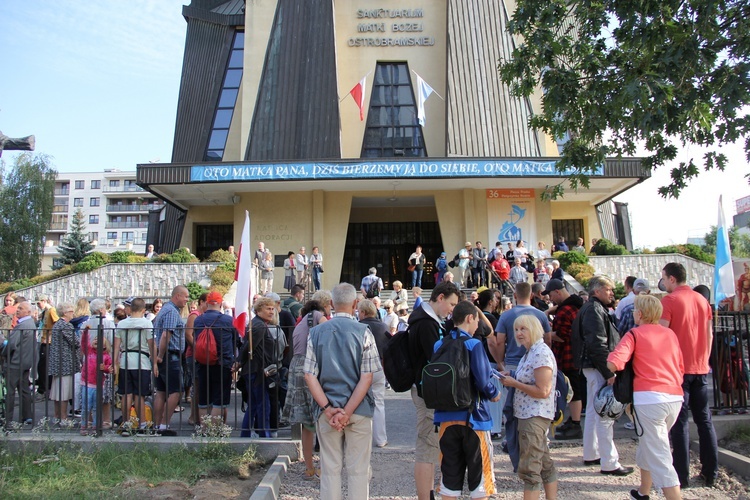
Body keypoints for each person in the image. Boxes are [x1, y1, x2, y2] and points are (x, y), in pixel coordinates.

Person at [303, 283, 381, 500]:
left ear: (331, 304)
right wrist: (346, 411)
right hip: (358, 409)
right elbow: (367, 377)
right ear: (356, 304)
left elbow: (309, 375)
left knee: (330, 469)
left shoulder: (316, 333)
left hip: (327, 409)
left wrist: (328, 409)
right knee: (358, 469)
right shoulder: (364, 332)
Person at [607, 294, 685, 500]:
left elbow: (615, 363)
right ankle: (644, 491)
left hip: (649, 399)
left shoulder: (634, 334)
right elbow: (680, 366)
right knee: (650, 443)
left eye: (634, 311)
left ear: (640, 314)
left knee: (659, 453)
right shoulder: (670, 335)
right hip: (674, 396)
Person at [434, 301, 501, 499]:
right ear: (470, 318)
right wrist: (493, 393)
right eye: (476, 321)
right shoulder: (474, 344)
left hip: (445, 417)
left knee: (449, 477)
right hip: (474, 417)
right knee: (479, 479)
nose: (477, 325)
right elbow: (481, 379)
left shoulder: (439, 344)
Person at [659, 262, 718, 488]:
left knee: (680, 423)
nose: (663, 282)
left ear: (672, 279)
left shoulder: (670, 300)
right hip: (700, 367)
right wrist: (704, 359)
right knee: (704, 420)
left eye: (664, 278)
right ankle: (709, 473)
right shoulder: (702, 300)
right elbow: (709, 334)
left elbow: (662, 336)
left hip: (677, 369)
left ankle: (681, 477)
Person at [573, 275, 633, 475]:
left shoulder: (592, 309)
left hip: (593, 366)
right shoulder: (593, 310)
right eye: (608, 289)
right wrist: (608, 371)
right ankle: (609, 462)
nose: (612, 293)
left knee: (593, 410)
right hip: (598, 366)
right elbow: (597, 343)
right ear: (597, 291)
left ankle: (592, 453)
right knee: (604, 413)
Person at [407, 281, 461, 500]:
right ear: (440, 298)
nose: (452, 309)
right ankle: (425, 495)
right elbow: (435, 361)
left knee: (429, 445)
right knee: (427, 446)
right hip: (427, 392)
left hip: (425, 390)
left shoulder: (426, 319)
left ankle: (427, 492)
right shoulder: (427, 323)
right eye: (451, 304)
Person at [500, 315, 558, 500]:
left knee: (530, 469)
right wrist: (513, 375)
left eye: (523, 329)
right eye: (516, 329)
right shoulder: (531, 352)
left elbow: (543, 390)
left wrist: (514, 383)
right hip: (529, 414)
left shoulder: (540, 352)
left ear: (533, 329)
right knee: (544, 463)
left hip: (534, 415)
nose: (518, 333)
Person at [494, 282, 551, 470]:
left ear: (515, 295)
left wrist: (500, 361)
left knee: (511, 407)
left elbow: (500, 341)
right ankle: (534, 444)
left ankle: (518, 445)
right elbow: (548, 339)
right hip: (532, 361)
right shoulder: (541, 315)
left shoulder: (507, 315)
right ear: (532, 295)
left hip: (513, 361)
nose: (520, 333)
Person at [282, 291, 331, 480]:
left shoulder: (302, 320)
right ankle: (326, 466)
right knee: (319, 416)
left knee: (306, 423)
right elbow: (329, 336)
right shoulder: (318, 316)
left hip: (297, 367)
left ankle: (309, 467)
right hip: (310, 367)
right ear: (324, 304)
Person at [542, 279, 585, 440]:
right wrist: (547, 312)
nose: (551, 298)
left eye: (551, 294)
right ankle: (574, 420)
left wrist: (546, 334)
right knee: (573, 389)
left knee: (573, 390)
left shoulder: (565, 310)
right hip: (574, 355)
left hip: (568, 355)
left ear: (558, 292)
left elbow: (561, 335)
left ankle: (575, 423)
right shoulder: (574, 305)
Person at [194, 291, 238, 429]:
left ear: (207, 303)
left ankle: (204, 429)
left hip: (203, 363)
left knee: (204, 399)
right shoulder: (228, 320)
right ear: (220, 304)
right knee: (219, 400)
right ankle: (214, 432)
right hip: (222, 363)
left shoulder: (198, 320)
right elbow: (236, 340)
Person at [114, 297, 156, 434]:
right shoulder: (147, 323)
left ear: (130, 309)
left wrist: (115, 363)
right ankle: (142, 424)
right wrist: (154, 362)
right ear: (143, 310)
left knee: (126, 394)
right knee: (140, 395)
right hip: (142, 361)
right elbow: (151, 344)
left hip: (125, 360)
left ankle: (126, 423)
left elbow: (116, 345)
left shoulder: (122, 324)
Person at [152, 285, 190, 436]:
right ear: (177, 296)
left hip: (165, 356)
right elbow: (166, 335)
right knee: (176, 391)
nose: (187, 300)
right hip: (170, 356)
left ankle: (157, 425)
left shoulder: (164, 310)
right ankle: (164, 425)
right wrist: (160, 355)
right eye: (185, 296)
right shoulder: (172, 312)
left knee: (161, 391)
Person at [240, 296, 277, 437]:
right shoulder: (259, 325)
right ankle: (264, 435)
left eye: (272, 309)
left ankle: (246, 434)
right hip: (257, 370)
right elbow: (248, 348)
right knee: (262, 405)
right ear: (259, 310)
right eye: (268, 308)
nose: (271, 311)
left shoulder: (257, 324)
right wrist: (239, 362)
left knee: (254, 405)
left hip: (254, 369)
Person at [358, 299, 390, 448]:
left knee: (359, 402)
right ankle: (380, 438)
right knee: (379, 403)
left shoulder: (358, 327)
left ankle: (362, 439)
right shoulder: (383, 326)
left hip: (362, 367)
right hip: (379, 366)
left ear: (363, 312)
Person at [4, 300, 36, 425]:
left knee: (10, 391)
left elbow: (11, 344)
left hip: (15, 362)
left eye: (21, 308)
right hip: (25, 362)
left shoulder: (22, 325)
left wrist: (3, 353)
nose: (18, 310)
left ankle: (8, 419)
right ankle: (26, 416)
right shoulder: (30, 323)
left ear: (28, 312)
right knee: (24, 389)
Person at [48, 302, 78, 424]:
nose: (73, 313)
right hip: (65, 362)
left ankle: (57, 416)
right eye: (71, 311)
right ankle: (64, 418)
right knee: (64, 391)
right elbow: (75, 342)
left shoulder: (57, 325)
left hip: (57, 362)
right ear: (65, 313)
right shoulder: (66, 325)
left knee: (57, 390)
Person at [79, 326, 113, 435]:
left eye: (99, 341)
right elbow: (84, 342)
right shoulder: (89, 351)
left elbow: (110, 369)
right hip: (87, 383)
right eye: (94, 339)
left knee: (96, 407)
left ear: (104, 345)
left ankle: (95, 426)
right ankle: (84, 425)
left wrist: (105, 368)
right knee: (85, 406)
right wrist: (86, 332)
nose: (96, 341)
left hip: (98, 384)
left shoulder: (106, 356)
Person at [36, 294, 59, 399]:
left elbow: (57, 323)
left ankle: (45, 389)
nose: (38, 305)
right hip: (43, 340)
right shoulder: (45, 311)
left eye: (39, 303)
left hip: (49, 342)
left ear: (44, 301)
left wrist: (50, 335)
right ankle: (43, 388)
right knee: (41, 366)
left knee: (44, 366)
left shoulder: (51, 310)